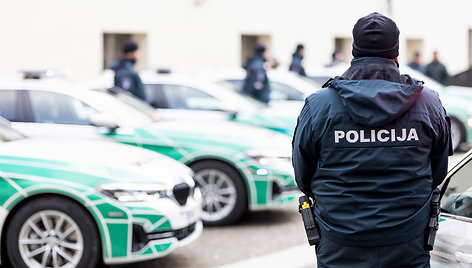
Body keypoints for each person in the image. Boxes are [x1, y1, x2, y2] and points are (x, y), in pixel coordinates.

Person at [292, 12, 452, 267]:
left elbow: (303, 175)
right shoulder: (429, 104)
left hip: (340, 241)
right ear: (396, 55)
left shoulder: (318, 105)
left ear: (353, 54)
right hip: (407, 241)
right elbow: (438, 171)